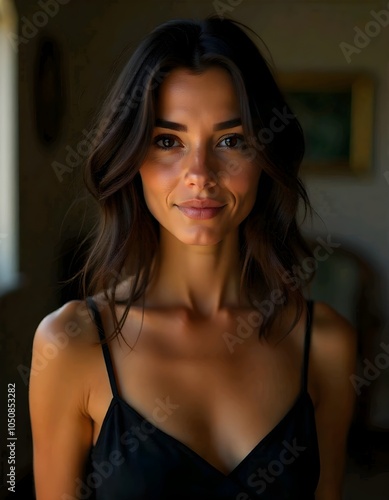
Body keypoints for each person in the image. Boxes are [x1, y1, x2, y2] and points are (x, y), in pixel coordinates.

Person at [29, 16, 357, 500]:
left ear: (266, 158)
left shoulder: (326, 344)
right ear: (131, 155)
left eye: (231, 140)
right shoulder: (69, 344)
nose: (199, 174)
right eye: (168, 141)